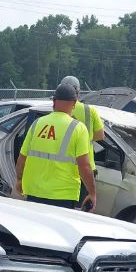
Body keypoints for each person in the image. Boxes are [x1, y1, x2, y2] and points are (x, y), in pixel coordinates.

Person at [15, 83, 96, 211]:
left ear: (54, 101)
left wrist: (19, 180)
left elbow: (21, 159)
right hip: (62, 196)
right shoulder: (78, 128)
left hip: (34, 192)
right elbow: (84, 166)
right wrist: (92, 193)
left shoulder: (37, 124)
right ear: (74, 103)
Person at [60, 75, 103, 201]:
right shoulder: (90, 110)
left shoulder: (57, 109)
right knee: (81, 211)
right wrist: (85, 137)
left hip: (63, 166)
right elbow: (100, 136)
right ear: (78, 93)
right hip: (87, 164)